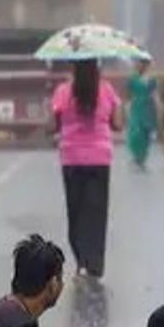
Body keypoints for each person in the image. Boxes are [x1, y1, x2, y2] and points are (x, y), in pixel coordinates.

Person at [50, 59, 123, 279]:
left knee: (76, 212)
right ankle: (95, 263)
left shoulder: (64, 91)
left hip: (71, 158)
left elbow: (54, 124)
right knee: (96, 213)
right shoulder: (106, 89)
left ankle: (82, 261)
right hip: (99, 159)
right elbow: (118, 124)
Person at [125, 58, 158, 169]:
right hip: (136, 107)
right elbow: (127, 94)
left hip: (148, 107)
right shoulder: (132, 79)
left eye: (143, 64)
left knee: (146, 132)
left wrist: (157, 107)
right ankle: (136, 154)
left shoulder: (151, 79)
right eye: (138, 63)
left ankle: (142, 158)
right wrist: (127, 105)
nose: (140, 66)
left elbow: (154, 94)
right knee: (135, 132)